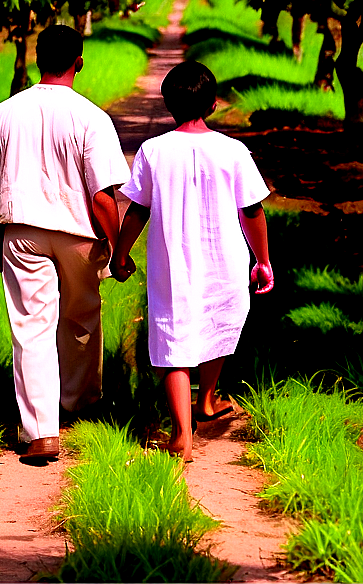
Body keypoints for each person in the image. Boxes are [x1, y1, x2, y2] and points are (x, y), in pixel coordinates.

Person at [0, 24, 130, 463]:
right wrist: (116, 248)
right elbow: (102, 196)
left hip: (21, 230)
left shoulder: (4, 113)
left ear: (39, 59)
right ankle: (80, 406)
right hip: (79, 232)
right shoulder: (92, 117)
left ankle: (41, 431)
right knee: (80, 319)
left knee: (31, 328)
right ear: (80, 61)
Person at [110, 60, 273, 463]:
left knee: (174, 334)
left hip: (172, 259)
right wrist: (263, 259)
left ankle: (183, 432)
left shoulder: (154, 150)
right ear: (214, 104)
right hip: (226, 258)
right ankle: (209, 399)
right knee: (219, 320)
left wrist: (121, 252)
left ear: (168, 105)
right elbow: (251, 210)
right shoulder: (233, 151)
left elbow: (137, 210)